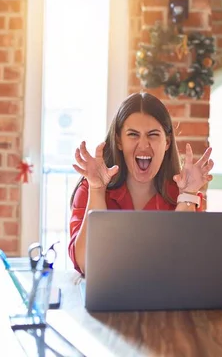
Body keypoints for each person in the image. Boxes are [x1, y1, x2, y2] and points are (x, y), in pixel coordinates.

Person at [68, 92, 214, 275]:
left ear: (167, 142)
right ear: (119, 141)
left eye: (153, 135)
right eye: (133, 135)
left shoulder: (183, 194)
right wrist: (97, 190)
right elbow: (86, 265)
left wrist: (188, 195)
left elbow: (187, 264)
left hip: (165, 300)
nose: (143, 145)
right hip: (109, 299)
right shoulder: (90, 188)